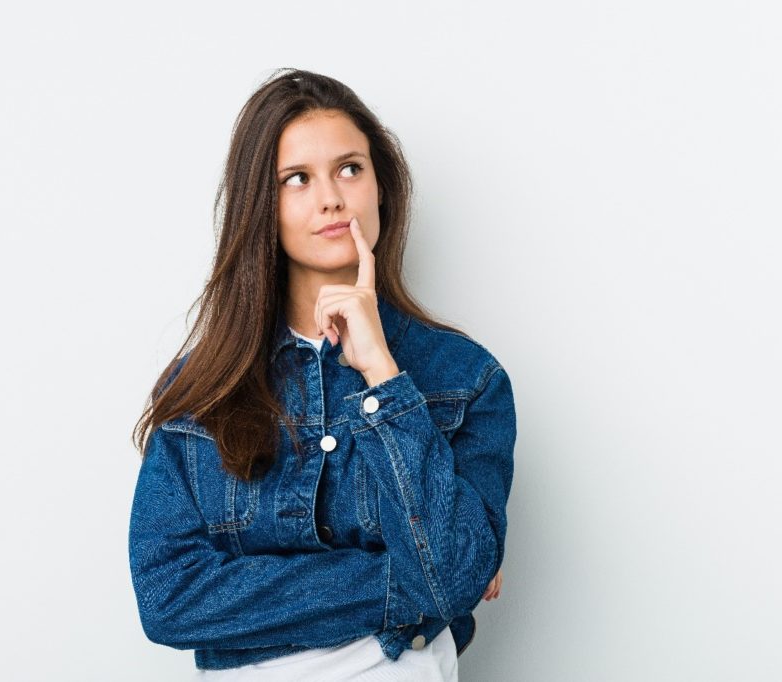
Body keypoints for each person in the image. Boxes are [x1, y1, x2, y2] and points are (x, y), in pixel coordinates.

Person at [128, 68, 517, 680]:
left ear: (381, 187)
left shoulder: (466, 380)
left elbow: (452, 573)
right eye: (297, 179)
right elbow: (169, 600)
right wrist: (403, 583)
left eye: (350, 168)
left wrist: (384, 379)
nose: (331, 197)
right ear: (263, 203)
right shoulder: (201, 388)